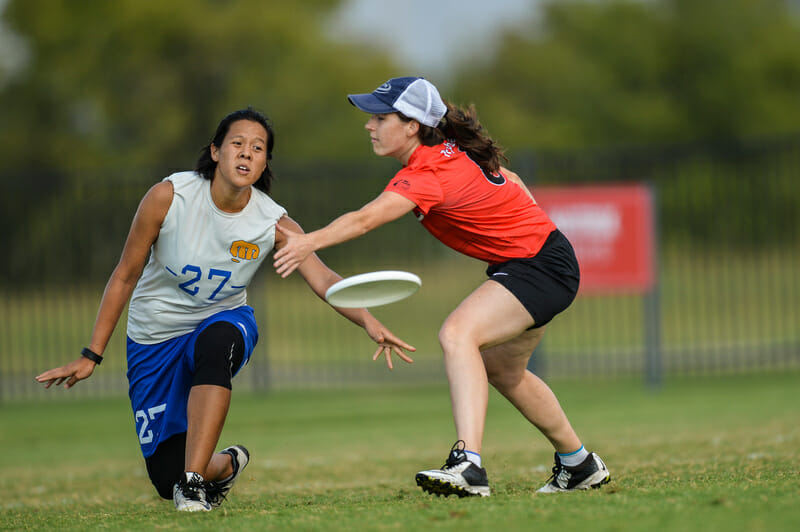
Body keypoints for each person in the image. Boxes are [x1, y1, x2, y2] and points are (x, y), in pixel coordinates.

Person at [35, 108, 415, 512]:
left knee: (216, 343)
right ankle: (223, 465)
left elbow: (323, 279)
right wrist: (91, 354)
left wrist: (370, 322)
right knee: (166, 478)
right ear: (216, 151)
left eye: (258, 148)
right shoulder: (169, 196)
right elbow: (125, 276)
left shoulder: (272, 221)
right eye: (237, 143)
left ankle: (194, 484)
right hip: (154, 337)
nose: (246, 154)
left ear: (265, 161)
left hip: (224, 321)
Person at [273, 77, 610, 497]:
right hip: (543, 258)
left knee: (457, 333)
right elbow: (514, 180)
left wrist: (309, 241)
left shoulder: (428, 169)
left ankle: (469, 465)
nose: (369, 126)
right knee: (504, 371)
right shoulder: (448, 150)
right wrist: (526, 225)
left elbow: (365, 219)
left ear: (412, 125)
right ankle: (578, 464)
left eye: (380, 117)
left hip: (537, 266)